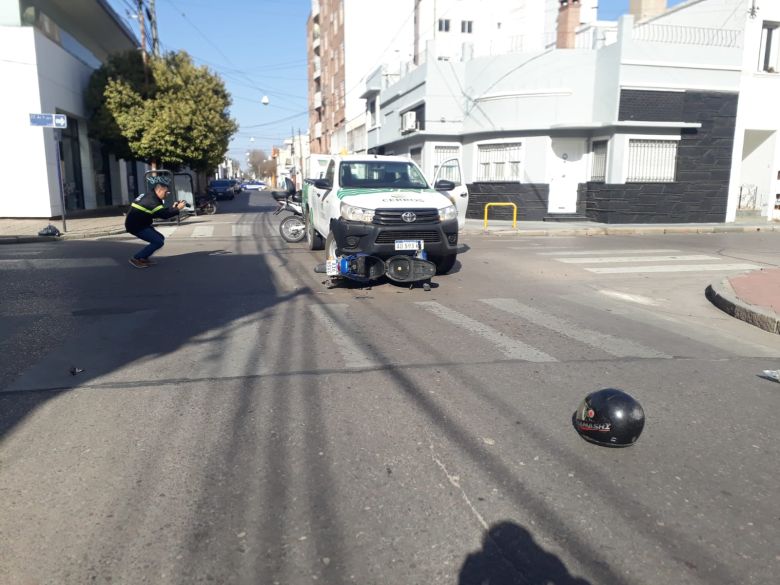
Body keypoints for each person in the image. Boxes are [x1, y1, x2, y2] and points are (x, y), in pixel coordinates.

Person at [124, 176, 186, 268]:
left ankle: (143, 258)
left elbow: (158, 211)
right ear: (160, 191)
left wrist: (173, 208)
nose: (167, 194)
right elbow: (164, 215)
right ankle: (136, 258)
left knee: (160, 238)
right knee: (158, 242)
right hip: (136, 226)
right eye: (166, 192)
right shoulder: (152, 201)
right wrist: (177, 209)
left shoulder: (150, 195)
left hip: (140, 223)